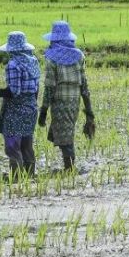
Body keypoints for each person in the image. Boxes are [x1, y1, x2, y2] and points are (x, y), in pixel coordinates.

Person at [0, 32, 40, 177]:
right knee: (27, 145)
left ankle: (16, 177)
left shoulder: (13, 65)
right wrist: (31, 104)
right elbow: (36, 89)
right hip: (31, 107)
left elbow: (13, 92)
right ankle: (30, 176)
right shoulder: (33, 61)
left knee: (12, 145)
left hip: (16, 110)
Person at [38, 21, 94, 172]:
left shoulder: (51, 58)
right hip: (74, 102)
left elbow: (50, 86)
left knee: (65, 137)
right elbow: (84, 84)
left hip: (60, 102)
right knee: (65, 131)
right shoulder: (79, 55)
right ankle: (69, 166)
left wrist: (43, 110)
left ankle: (70, 168)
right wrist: (89, 110)